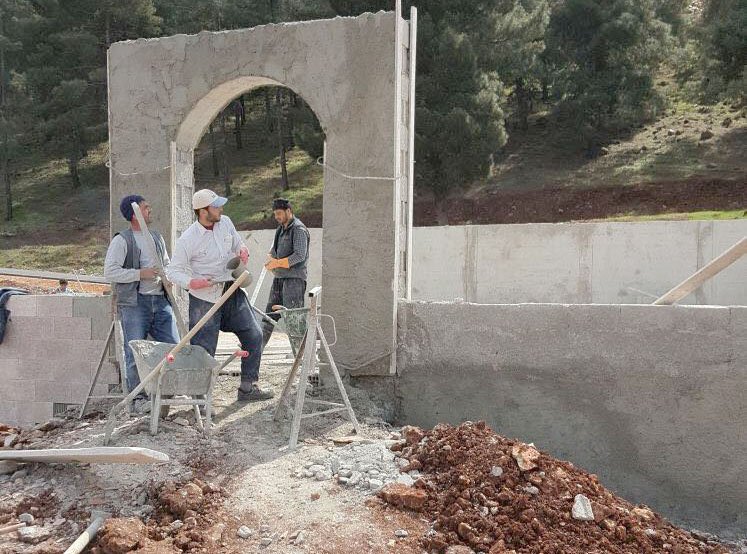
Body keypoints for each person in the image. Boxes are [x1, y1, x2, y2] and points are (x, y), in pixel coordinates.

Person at [166, 189, 271, 402]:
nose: (221, 209)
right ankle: (200, 399)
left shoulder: (226, 222)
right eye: (216, 206)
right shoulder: (188, 239)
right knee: (204, 350)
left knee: (254, 335)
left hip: (231, 290)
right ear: (203, 211)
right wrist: (191, 282)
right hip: (204, 299)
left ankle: (248, 387)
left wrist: (242, 250)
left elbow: (237, 243)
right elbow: (172, 271)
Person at [104, 195, 180, 413]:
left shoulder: (156, 237)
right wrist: (140, 274)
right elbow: (110, 271)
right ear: (135, 213)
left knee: (174, 346)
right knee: (135, 351)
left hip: (160, 300)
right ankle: (137, 400)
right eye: (146, 208)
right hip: (135, 304)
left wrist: (169, 277)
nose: (150, 210)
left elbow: (166, 263)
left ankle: (170, 390)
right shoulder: (122, 241)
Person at [262, 198, 310, 348]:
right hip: (280, 278)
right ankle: (257, 347)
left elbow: (299, 256)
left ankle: (300, 354)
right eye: (275, 214)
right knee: (269, 316)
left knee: (294, 319)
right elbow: (274, 250)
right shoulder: (280, 229)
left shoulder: (299, 230)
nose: (277, 217)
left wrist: (277, 263)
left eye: (279, 213)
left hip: (294, 280)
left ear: (289, 211)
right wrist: (271, 258)